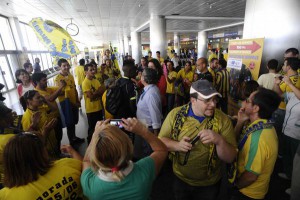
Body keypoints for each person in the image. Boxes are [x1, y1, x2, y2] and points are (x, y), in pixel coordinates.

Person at [159, 80, 237, 200]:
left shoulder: (223, 120)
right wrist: (177, 145)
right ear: (193, 100)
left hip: (209, 185)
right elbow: (160, 142)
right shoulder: (175, 115)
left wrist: (219, 141)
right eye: (207, 100)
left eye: (215, 99)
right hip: (180, 180)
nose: (213, 104)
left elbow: (230, 157)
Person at [80, 118, 168, 200]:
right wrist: (143, 131)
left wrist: (95, 135)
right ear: (129, 147)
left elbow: (86, 161)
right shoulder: (144, 171)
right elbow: (161, 150)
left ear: (96, 156)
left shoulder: (90, 186)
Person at [0, 133, 83, 199]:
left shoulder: (5, 195)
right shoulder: (67, 164)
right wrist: (72, 151)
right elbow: (86, 169)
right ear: (41, 153)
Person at [233, 88, 281, 200]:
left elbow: (251, 176)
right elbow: (235, 143)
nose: (244, 102)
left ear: (255, 108)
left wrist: (235, 186)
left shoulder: (258, 138)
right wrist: (240, 122)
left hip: (248, 192)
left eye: (248, 101)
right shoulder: (263, 126)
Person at [273, 58, 300, 161]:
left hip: (284, 111)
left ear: (288, 67)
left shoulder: (290, 81)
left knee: (282, 136)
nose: (282, 67)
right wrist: (276, 83)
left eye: (284, 64)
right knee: (284, 137)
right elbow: (279, 94)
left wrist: (289, 84)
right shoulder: (285, 79)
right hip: (287, 112)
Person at [20, 90, 59, 158]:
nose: (41, 99)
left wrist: (46, 101)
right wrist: (34, 125)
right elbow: (29, 139)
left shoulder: (41, 108)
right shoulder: (27, 117)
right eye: (38, 98)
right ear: (29, 101)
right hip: (44, 149)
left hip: (53, 143)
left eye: (41, 97)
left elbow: (55, 109)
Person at [32, 73, 66, 151]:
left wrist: (61, 87)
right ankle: (55, 154)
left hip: (56, 116)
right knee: (53, 139)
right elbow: (50, 99)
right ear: (37, 82)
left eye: (46, 79)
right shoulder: (37, 92)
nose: (46, 81)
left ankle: (58, 152)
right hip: (49, 120)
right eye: (44, 80)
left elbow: (61, 92)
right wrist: (60, 87)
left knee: (59, 136)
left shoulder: (47, 89)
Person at [54, 58, 84, 146]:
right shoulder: (58, 79)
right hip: (65, 103)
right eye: (64, 66)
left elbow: (74, 88)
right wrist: (65, 88)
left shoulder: (70, 75)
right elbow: (58, 93)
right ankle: (71, 141)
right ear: (59, 67)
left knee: (74, 121)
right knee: (69, 122)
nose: (66, 67)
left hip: (74, 101)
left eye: (67, 65)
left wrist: (77, 99)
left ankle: (74, 137)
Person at [82, 63, 105, 144]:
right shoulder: (85, 83)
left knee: (99, 127)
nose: (93, 71)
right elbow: (91, 96)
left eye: (93, 69)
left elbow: (102, 91)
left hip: (98, 108)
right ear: (85, 72)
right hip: (91, 110)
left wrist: (97, 92)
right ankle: (90, 144)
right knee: (92, 128)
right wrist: (98, 92)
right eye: (90, 70)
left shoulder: (96, 80)